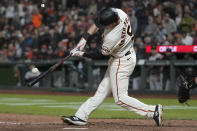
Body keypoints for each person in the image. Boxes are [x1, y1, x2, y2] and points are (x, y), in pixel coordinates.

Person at [61, 8, 163, 126]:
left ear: (113, 23)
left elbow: (100, 55)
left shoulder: (113, 36)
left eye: (105, 25)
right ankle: (80, 116)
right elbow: (96, 24)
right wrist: (83, 40)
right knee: (102, 91)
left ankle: (152, 111)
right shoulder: (120, 13)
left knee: (120, 99)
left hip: (122, 61)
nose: (102, 26)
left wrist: (81, 53)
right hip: (122, 56)